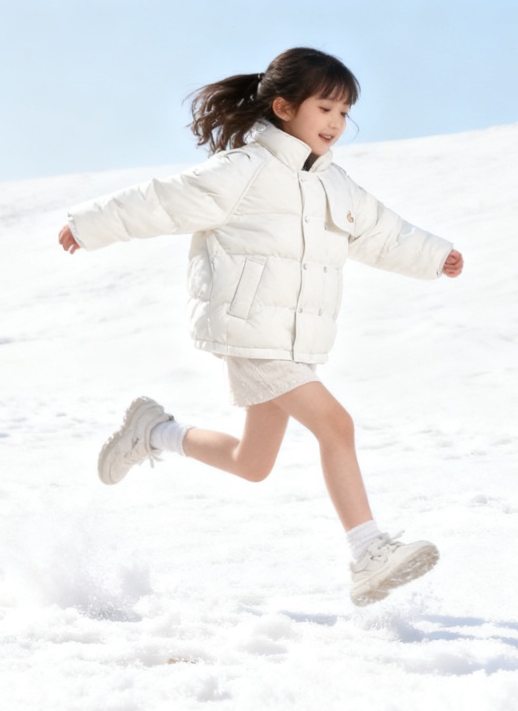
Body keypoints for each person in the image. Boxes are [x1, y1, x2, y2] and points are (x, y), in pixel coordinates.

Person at [56, 47, 464, 606]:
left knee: (252, 464)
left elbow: (382, 233)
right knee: (336, 426)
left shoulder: (335, 184)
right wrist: (89, 224)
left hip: (293, 341)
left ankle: (154, 432)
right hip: (250, 331)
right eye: (325, 109)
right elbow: (165, 202)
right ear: (284, 107)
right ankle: (368, 550)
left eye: (345, 113)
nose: (336, 124)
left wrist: (433, 255)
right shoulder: (243, 171)